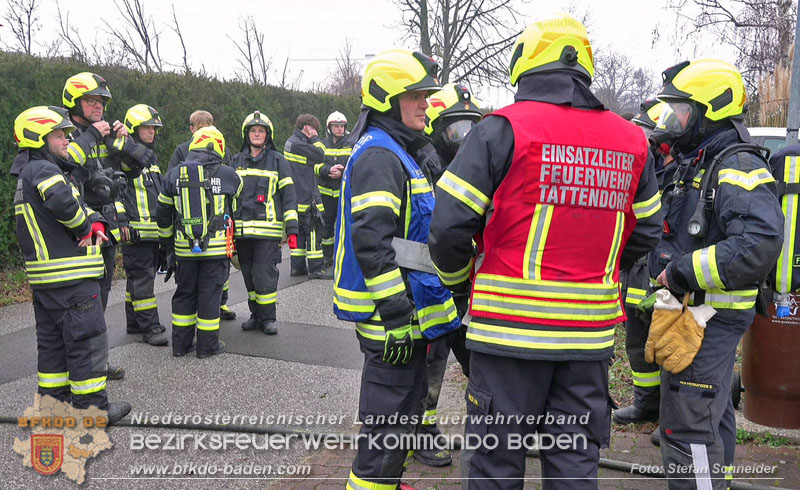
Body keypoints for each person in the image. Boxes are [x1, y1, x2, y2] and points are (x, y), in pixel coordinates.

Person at [428, 13, 663, 488]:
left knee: (496, 463)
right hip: (587, 339)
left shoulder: (501, 129)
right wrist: (597, 270)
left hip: (509, 335)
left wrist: (458, 289)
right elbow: (648, 230)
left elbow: (449, 228)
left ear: (526, 64)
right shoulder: (633, 140)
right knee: (575, 461)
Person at [649, 58, 783, 489]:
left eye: (682, 110)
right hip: (701, 315)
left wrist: (684, 272)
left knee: (689, 425)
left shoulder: (737, 164)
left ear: (709, 111)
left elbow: (757, 244)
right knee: (712, 412)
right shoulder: (705, 159)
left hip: (712, 316)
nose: (674, 120)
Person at [334, 48, 461, 490]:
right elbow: (373, 243)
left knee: (404, 418)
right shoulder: (380, 157)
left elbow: (409, 240)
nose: (426, 104)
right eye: (417, 96)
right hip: (389, 320)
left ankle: (388, 483)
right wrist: (396, 313)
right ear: (388, 99)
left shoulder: (398, 151)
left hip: (405, 316)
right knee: (386, 433)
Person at [11, 106, 131, 423]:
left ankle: (54, 406)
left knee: (52, 345)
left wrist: (97, 222)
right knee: (86, 342)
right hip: (73, 278)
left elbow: (77, 204)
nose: (66, 140)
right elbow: (65, 204)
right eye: (59, 134)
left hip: (47, 281)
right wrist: (84, 228)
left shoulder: (31, 172)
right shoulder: (45, 170)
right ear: (39, 138)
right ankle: (94, 410)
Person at [414, 82, 482, 468]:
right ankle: (422, 430)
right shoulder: (421, 167)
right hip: (432, 283)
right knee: (431, 361)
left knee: (481, 361)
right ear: (436, 130)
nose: (464, 138)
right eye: (456, 129)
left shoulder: (473, 167)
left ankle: (496, 430)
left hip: (468, 283)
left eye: (471, 128)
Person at [156, 126, 243, 358]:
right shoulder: (229, 174)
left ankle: (181, 346)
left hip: (184, 251)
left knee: (184, 295)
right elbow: (236, 207)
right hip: (214, 252)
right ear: (219, 146)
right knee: (209, 297)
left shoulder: (173, 175)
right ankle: (207, 347)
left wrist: (167, 244)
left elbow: (162, 214)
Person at [62, 72, 126, 381]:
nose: (98, 106)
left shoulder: (100, 133)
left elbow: (124, 173)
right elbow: (67, 169)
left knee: (99, 298)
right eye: (91, 100)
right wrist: (91, 137)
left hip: (105, 227)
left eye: (101, 101)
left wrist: (125, 143)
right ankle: (76, 365)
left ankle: (97, 363)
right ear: (74, 101)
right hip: (80, 230)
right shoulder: (63, 133)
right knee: (81, 303)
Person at [613, 99, 671, 425]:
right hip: (638, 268)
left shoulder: (681, 170)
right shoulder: (639, 167)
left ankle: (671, 416)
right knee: (637, 338)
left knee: (669, 343)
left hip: (668, 272)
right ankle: (646, 403)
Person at [231, 111, 299, 335]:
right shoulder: (236, 160)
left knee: (265, 275)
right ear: (246, 134)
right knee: (248, 275)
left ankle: (268, 318)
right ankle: (255, 315)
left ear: (267, 135)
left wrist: (292, 229)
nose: (257, 134)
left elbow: (289, 195)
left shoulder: (278, 160)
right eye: (253, 130)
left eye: (261, 131)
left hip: (267, 233)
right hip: (241, 232)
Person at [167, 110, 236, 322]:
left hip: (201, 231)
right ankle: (210, 312)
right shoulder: (182, 151)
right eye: (200, 129)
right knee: (202, 280)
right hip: (194, 230)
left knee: (212, 280)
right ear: (192, 130)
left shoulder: (219, 149)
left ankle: (219, 304)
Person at [111, 104, 169, 347]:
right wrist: (122, 221)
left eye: (154, 128)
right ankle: (150, 327)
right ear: (134, 129)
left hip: (151, 232)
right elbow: (116, 192)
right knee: (142, 279)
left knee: (137, 279)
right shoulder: (123, 153)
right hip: (135, 230)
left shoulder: (149, 156)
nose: (152, 132)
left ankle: (134, 322)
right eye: (147, 128)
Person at [284, 114, 332, 279]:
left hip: (296, 196)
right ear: (307, 128)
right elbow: (320, 154)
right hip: (306, 197)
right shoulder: (299, 144)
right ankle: (316, 268)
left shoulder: (291, 142)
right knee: (313, 231)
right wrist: (316, 138)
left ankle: (297, 268)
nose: (315, 132)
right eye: (314, 129)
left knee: (299, 234)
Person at [317, 111, 351, 268]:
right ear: (329, 127)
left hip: (344, 193)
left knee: (346, 226)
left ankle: (345, 258)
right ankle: (327, 258)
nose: (339, 129)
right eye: (336, 126)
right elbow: (314, 165)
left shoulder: (351, 144)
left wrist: (342, 172)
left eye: (342, 126)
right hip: (325, 194)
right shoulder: (320, 145)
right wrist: (328, 170)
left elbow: (356, 163)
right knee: (326, 227)